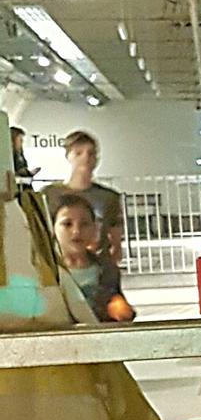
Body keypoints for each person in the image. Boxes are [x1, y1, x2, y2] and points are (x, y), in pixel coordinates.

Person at [53, 190, 135, 323]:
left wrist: (122, 311)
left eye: (84, 224)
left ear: (94, 228)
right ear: (52, 228)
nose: (76, 231)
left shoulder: (107, 271)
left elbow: (117, 310)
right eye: (67, 224)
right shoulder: (46, 272)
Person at [44, 130, 124, 263]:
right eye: (78, 153)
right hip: (60, 267)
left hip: (98, 267)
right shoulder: (49, 195)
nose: (86, 158)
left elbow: (115, 236)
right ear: (68, 156)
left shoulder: (109, 197)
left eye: (91, 153)